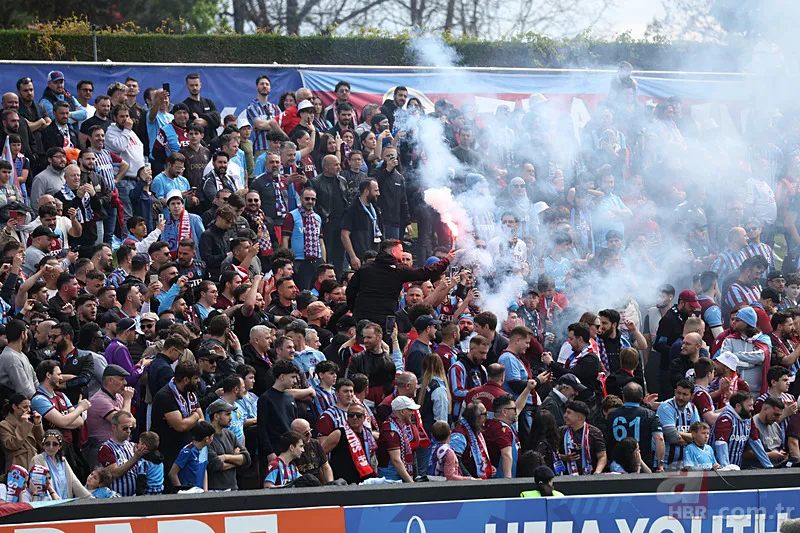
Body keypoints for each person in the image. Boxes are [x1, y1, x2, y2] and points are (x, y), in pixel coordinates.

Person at [347, 238, 452, 326]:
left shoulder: (365, 268)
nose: (402, 254)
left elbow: (350, 291)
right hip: (385, 318)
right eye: (401, 251)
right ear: (393, 252)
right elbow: (425, 273)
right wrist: (446, 260)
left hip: (362, 315)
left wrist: (355, 309)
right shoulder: (398, 270)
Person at [150, 360, 204, 475]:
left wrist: (190, 419)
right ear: (186, 380)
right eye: (195, 378)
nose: (198, 381)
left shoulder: (191, 394)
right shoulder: (165, 396)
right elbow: (181, 426)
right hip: (168, 452)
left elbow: (201, 421)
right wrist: (194, 415)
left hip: (187, 449)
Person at [605, 382, 665, 471]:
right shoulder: (650, 415)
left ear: (623, 396)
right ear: (641, 397)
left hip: (617, 466)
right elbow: (659, 438)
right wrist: (660, 464)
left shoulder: (611, 415)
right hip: (643, 465)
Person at [711, 391, 772, 469]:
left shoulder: (748, 419)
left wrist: (769, 466)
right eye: (749, 405)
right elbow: (721, 444)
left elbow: (756, 443)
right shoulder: (726, 418)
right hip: (718, 470)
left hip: (736, 468)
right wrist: (726, 469)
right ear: (738, 406)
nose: (752, 409)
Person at [257, 360, 299, 468]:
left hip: (291, 449)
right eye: (292, 377)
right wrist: (269, 452)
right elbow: (262, 428)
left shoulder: (290, 397)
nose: (295, 381)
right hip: (275, 449)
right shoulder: (265, 398)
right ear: (282, 377)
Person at [96, 410, 146, 497]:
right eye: (125, 428)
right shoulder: (106, 448)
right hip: (116, 499)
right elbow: (115, 473)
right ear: (114, 428)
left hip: (135, 497)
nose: (128, 431)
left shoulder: (132, 446)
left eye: (131, 428)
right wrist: (135, 458)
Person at [30, 429, 91, 499]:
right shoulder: (37, 459)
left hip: (65, 501)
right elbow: (41, 486)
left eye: (55, 444)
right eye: (47, 444)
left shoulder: (62, 460)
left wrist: (91, 498)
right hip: (47, 503)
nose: (51, 447)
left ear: (60, 446)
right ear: (43, 445)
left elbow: (74, 482)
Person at [206, 402, 251, 491]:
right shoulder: (207, 437)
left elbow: (247, 459)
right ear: (216, 416)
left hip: (233, 488)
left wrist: (225, 457)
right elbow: (215, 465)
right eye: (227, 414)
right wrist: (236, 460)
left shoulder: (230, 435)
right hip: (215, 490)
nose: (230, 418)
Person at [657, 379, 701, 469]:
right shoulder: (666, 407)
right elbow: (673, 437)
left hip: (685, 465)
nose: (680, 397)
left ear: (692, 396)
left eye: (685, 394)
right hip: (665, 464)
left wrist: (678, 432)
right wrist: (692, 440)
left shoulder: (692, 408)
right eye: (678, 393)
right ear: (674, 392)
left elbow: (699, 437)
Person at [558, 400, 607, 475]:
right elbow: (553, 454)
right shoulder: (561, 431)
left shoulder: (595, 433)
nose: (565, 415)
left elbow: (602, 456)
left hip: (590, 476)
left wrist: (597, 473)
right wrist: (564, 457)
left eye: (569, 413)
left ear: (579, 417)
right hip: (567, 477)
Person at [377, 396, 420, 483]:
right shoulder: (390, 429)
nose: (412, 413)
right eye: (410, 410)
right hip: (390, 479)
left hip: (397, 477)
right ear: (402, 412)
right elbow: (396, 460)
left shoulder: (399, 426)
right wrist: (411, 483)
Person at [0, 393, 44, 473]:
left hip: (33, 462)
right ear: (14, 407)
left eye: (29, 407)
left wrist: (38, 424)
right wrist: (24, 425)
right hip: (17, 464)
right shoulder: (4, 425)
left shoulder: (30, 422)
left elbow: (41, 442)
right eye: (25, 407)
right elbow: (12, 445)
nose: (29, 410)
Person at [450, 335, 490, 419]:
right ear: (471, 349)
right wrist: (479, 393)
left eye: (486, 353)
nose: (485, 357)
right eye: (482, 353)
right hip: (461, 417)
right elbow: (456, 393)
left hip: (479, 416)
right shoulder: (457, 368)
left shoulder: (483, 369)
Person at [169, 421, 215, 491]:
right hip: (188, 493)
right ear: (207, 439)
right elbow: (172, 473)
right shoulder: (188, 451)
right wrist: (180, 491)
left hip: (200, 492)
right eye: (212, 436)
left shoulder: (204, 449)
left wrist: (205, 491)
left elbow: (204, 469)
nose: (213, 439)